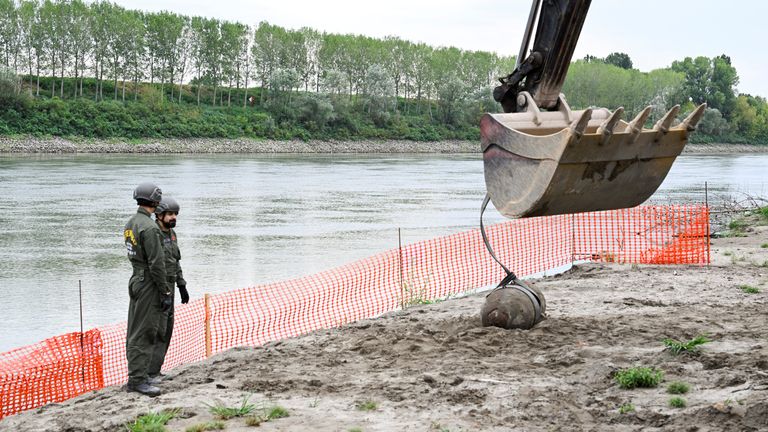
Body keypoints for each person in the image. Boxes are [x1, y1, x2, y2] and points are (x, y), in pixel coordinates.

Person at [123, 183, 172, 397]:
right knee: (145, 332)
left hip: (136, 278)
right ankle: (138, 380)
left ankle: (138, 376)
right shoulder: (150, 228)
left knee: (134, 330)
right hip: (149, 283)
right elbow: (157, 264)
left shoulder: (132, 222)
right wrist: (165, 292)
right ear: (155, 201)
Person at [147, 197, 189, 383]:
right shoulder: (154, 233)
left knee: (167, 330)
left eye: (175, 214)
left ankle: (156, 371)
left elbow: (175, 261)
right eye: (170, 214)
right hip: (158, 288)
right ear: (159, 215)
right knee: (158, 330)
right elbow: (155, 265)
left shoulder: (172, 234)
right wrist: (163, 292)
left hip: (171, 287)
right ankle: (149, 373)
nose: (173, 218)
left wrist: (182, 285)